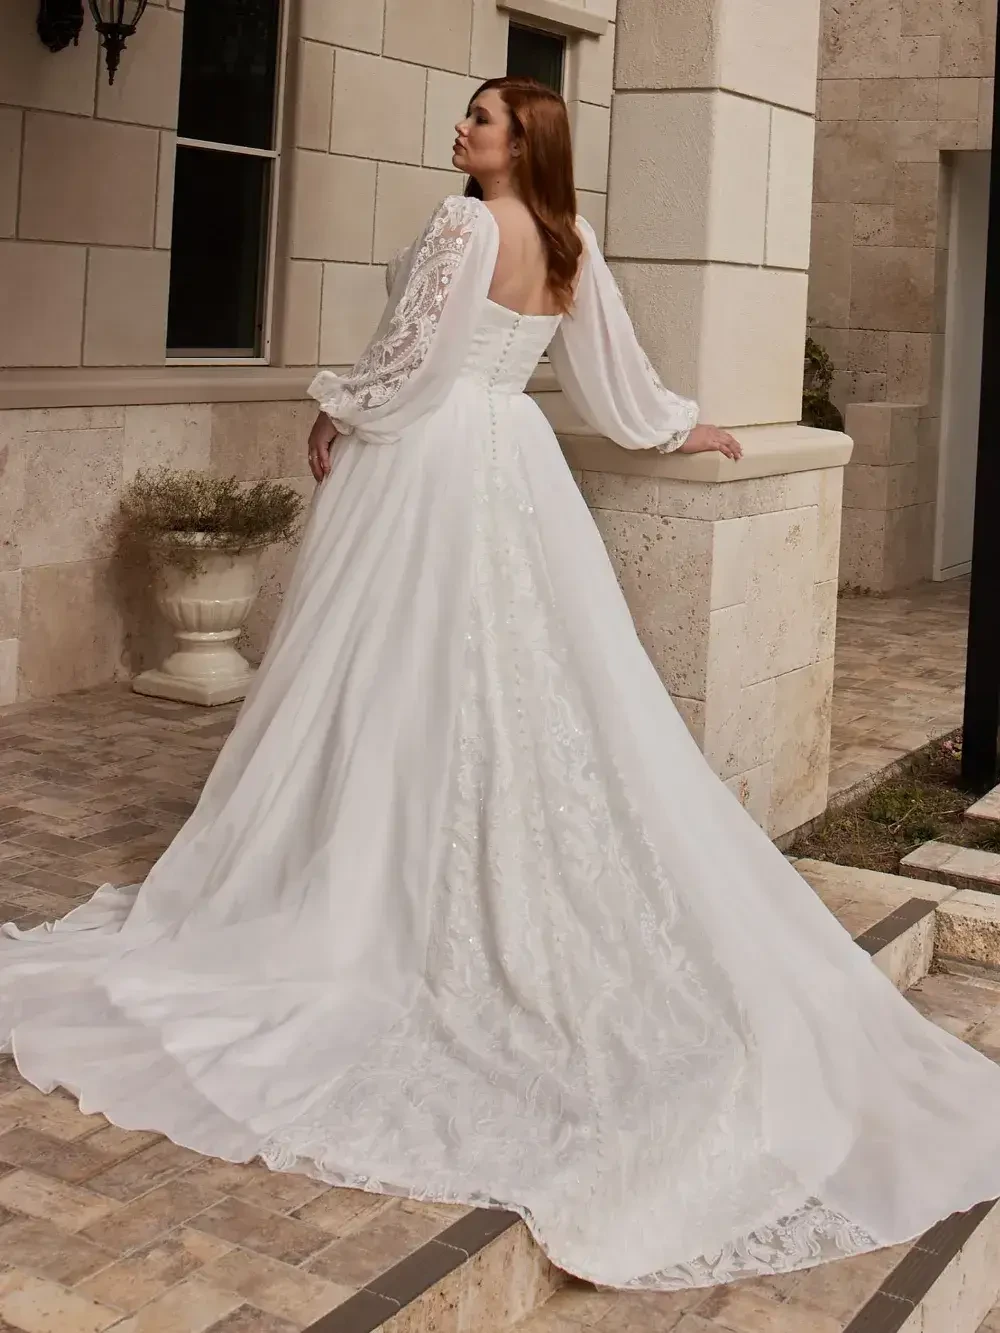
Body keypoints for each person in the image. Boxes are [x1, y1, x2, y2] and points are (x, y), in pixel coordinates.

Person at [1, 75, 999, 1293]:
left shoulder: (467, 223)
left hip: (424, 464)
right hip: (510, 463)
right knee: (501, 683)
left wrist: (336, 411)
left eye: (483, 117)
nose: (463, 129)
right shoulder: (572, 240)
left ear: (524, 140)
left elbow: (410, 359)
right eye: (467, 113)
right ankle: (436, 864)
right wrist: (684, 428)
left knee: (385, 676)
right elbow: (614, 381)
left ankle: (369, 879)